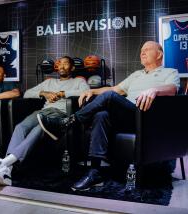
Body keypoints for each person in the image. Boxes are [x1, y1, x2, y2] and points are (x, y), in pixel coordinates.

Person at [37, 41, 180, 191]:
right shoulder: (137, 75)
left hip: (147, 117)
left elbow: (173, 89)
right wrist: (92, 91)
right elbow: (114, 89)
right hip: (129, 117)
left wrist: (155, 90)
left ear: (159, 54)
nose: (142, 52)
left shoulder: (170, 72)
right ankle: (95, 172)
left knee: (109, 97)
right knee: (101, 115)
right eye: (141, 50)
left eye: (147, 49)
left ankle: (68, 122)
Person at [0, 56, 90, 186]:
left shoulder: (78, 81)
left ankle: (2, 163)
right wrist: (44, 93)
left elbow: (86, 92)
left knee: (38, 129)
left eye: (66, 64)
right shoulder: (49, 82)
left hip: (59, 114)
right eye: (60, 64)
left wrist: (62, 94)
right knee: (20, 127)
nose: (62, 66)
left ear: (72, 68)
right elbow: (27, 93)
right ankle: (7, 170)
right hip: (41, 112)